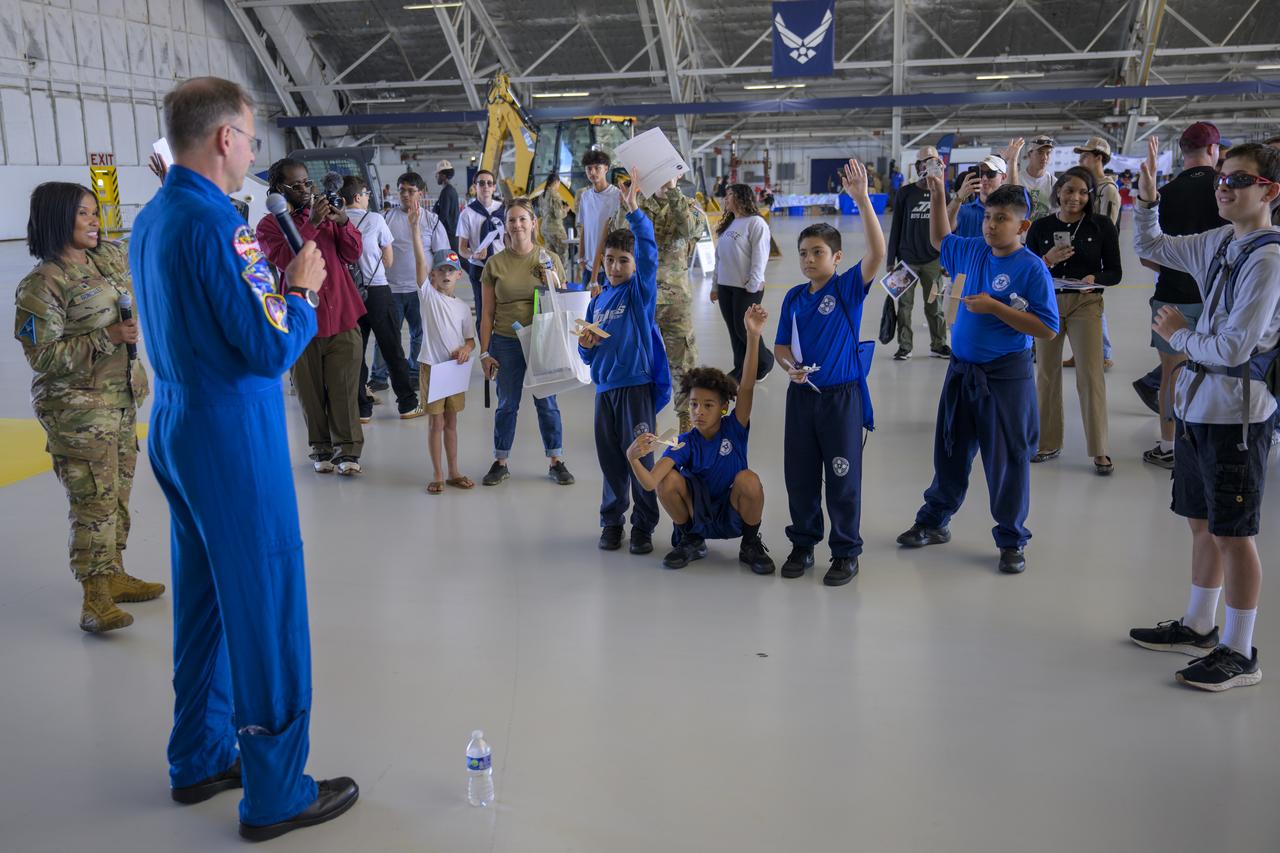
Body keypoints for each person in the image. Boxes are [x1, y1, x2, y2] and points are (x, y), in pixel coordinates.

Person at [131, 76, 356, 841]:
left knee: (203, 601)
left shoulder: (153, 217)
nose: (253, 153)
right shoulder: (219, 226)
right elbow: (266, 346)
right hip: (232, 434)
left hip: (176, 422)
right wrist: (298, 291)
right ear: (225, 137)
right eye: (251, 139)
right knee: (265, 603)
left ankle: (197, 754)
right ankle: (276, 787)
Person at [1129, 139, 1280, 692]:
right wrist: (1146, 202)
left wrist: (1180, 337)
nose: (1225, 187)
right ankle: (1199, 624)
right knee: (1201, 521)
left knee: (1233, 533)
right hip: (1197, 407)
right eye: (1222, 177)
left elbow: (1238, 347)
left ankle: (1240, 651)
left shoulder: (1268, 259)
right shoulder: (1221, 242)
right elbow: (1154, 246)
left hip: (1235, 414)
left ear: (1269, 191)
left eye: (1239, 180)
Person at [15, 183, 164, 633]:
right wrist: (107, 338)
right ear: (59, 219)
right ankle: (94, 597)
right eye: (84, 214)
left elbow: (147, 240)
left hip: (118, 400)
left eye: (96, 212)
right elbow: (41, 357)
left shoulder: (106, 259)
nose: (95, 220)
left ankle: (113, 573)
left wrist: (169, 186)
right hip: (78, 410)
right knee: (92, 500)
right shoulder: (41, 285)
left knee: (117, 494)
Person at [897, 180, 1059, 575]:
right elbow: (940, 239)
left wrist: (995, 309)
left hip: (1005, 378)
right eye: (987, 216)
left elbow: (1047, 328)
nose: (990, 225)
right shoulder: (972, 250)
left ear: (1021, 227)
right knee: (950, 451)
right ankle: (935, 520)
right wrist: (939, 195)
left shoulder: (1031, 268)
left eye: (1001, 219)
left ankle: (1011, 538)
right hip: (962, 372)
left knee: (1007, 460)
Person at [774, 160, 886, 587]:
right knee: (800, 477)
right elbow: (782, 346)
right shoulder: (793, 299)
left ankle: (845, 551)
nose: (808, 259)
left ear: (836, 257)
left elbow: (877, 253)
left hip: (841, 399)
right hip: (802, 398)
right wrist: (790, 369)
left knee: (842, 476)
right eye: (803, 253)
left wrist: (861, 200)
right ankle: (803, 543)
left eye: (817, 252)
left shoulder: (846, 289)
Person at [625, 305, 773, 575]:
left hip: (732, 513)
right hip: (698, 516)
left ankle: (750, 544)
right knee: (669, 481)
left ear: (723, 408)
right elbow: (650, 483)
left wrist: (753, 336)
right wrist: (632, 458)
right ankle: (690, 540)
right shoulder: (683, 443)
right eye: (694, 405)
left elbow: (748, 385)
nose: (698, 412)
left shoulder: (735, 428)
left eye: (708, 405)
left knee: (749, 480)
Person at [578, 176, 672, 556]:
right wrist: (585, 349)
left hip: (635, 389)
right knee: (611, 461)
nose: (615, 267)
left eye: (623, 261)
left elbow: (649, 254)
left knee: (640, 457)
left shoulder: (638, 294)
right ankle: (612, 521)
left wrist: (634, 214)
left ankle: (644, 527)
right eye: (610, 261)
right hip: (605, 391)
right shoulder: (597, 301)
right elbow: (588, 353)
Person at [257, 158, 367, 475]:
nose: (305, 189)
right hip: (300, 319)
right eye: (297, 185)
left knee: (344, 387)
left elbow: (352, 253)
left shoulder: (327, 213)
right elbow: (283, 257)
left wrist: (344, 221)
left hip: (342, 314)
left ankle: (348, 451)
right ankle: (320, 447)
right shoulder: (268, 225)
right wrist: (313, 224)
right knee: (309, 390)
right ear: (279, 189)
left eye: (308, 183)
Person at [1138, 122, 1226, 468]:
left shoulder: (1164, 193)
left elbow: (1147, 254)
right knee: (1216, 371)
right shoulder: (1225, 191)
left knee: (1172, 374)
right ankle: (1209, 441)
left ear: (1182, 151)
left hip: (1171, 295)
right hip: (1214, 298)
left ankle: (1169, 445)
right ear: (1214, 150)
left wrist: (1177, 268)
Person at [1026, 166, 1123, 474]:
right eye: (1069, 191)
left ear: (1090, 196)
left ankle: (1100, 449)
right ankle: (1047, 441)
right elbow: (1026, 269)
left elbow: (1116, 272)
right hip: (1047, 304)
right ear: (1058, 192)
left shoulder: (1102, 225)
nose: (1075, 198)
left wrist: (1097, 277)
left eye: (1083, 192)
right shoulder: (1041, 227)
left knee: (1091, 375)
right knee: (1046, 374)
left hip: (1086, 302)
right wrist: (1047, 260)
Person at [478, 199, 575, 486]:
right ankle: (501, 460)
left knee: (547, 402)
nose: (517, 225)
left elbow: (565, 301)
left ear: (533, 224)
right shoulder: (495, 264)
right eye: (511, 220)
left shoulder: (549, 259)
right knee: (507, 403)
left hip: (542, 341)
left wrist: (553, 281)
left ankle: (556, 460)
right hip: (507, 341)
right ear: (505, 226)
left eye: (523, 219)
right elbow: (486, 314)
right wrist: (485, 352)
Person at [340, 176, 423, 422]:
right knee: (392, 348)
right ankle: (407, 404)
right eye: (365, 193)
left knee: (356, 351)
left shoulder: (335, 221)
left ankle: (361, 409)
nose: (367, 197)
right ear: (357, 197)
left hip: (348, 294)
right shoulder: (374, 219)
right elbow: (388, 259)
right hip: (377, 291)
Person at [371, 171, 449, 390]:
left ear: (420, 193)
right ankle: (378, 377)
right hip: (391, 288)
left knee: (419, 334)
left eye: (411, 191)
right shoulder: (386, 218)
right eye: (402, 190)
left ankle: (414, 373)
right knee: (386, 336)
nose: (405, 195)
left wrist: (441, 287)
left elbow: (442, 254)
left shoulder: (432, 220)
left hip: (420, 290)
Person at [410, 235, 476, 495]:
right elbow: (418, 261)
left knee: (451, 423)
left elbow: (470, 340)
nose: (446, 274)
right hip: (433, 369)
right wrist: (415, 230)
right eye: (440, 270)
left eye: (451, 270)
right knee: (435, 423)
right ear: (432, 276)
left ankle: (454, 471)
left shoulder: (461, 308)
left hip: (455, 372)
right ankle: (438, 474)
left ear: (459, 275)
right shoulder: (428, 297)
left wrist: (466, 349)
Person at [641, 178, 700, 433]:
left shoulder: (687, 205)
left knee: (683, 362)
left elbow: (690, 230)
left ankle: (686, 417)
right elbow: (621, 235)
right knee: (641, 363)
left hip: (676, 300)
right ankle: (643, 416)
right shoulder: (636, 205)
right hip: (643, 298)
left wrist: (673, 191)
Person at [886, 145, 950, 360]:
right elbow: (895, 227)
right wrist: (890, 260)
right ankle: (905, 346)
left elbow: (949, 230)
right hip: (906, 260)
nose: (929, 165)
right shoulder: (906, 193)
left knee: (935, 306)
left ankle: (939, 344)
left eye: (934, 161)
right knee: (904, 307)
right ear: (918, 165)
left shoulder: (943, 194)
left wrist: (946, 260)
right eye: (925, 161)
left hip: (933, 259)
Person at [712, 183, 775, 382]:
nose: (725, 199)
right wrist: (715, 286)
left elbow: (760, 255)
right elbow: (719, 258)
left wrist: (754, 283)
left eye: (729, 194)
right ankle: (740, 367)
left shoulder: (756, 223)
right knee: (733, 330)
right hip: (725, 286)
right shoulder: (728, 224)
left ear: (741, 197)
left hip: (746, 287)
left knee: (743, 329)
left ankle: (765, 362)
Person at [1072, 137, 1122, 368]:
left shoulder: (1108, 189)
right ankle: (1080, 352)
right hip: (1080, 252)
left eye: (1085, 156)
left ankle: (1104, 353)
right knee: (1078, 305)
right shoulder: (1090, 188)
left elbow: (1107, 226)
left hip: (1094, 255)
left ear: (1099, 158)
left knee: (1093, 303)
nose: (1081, 160)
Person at [948, 138, 1024, 238]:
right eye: (981, 173)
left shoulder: (1006, 210)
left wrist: (1012, 161)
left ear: (1003, 177)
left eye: (990, 173)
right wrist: (958, 197)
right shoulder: (963, 210)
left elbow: (1014, 197)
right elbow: (944, 228)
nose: (984, 178)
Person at [457, 169, 505, 316]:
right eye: (481, 183)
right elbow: (462, 248)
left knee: (503, 308)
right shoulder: (467, 214)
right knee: (483, 310)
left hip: (502, 266)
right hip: (479, 268)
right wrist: (473, 255)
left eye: (489, 183)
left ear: (494, 187)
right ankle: (484, 339)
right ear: (475, 187)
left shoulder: (503, 210)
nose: (486, 186)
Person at [575, 150, 622, 289]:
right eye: (589, 168)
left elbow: (607, 235)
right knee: (587, 309)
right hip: (588, 267)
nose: (593, 172)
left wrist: (595, 278)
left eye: (597, 168)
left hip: (607, 267)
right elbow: (584, 228)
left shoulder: (616, 196)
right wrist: (581, 258)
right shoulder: (585, 196)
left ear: (606, 169)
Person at [1023, 135, 1057, 221]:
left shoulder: (1054, 183)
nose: (1045, 157)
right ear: (1029, 154)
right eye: (1040, 152)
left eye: (1048, 153)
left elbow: (1056, 214)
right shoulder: (1017, 179)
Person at [540, 175, 570, 270]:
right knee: (562, 254)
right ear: (556, 182)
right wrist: (566, 209)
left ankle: (551, 278)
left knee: (550, 256)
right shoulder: (555, 195)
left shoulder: (542, 194)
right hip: (556, 230)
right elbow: (558, 215)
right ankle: (562, 278)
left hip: (545, 229)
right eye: (559, 183)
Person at [433, 159, 460, 253]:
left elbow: (443, 215)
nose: (436, 177)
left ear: (443, 175)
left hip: (449, 234)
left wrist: (434, 228)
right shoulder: (451, 190)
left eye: (437, 174)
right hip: (453, 232)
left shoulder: (446, 192)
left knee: (453, 260)